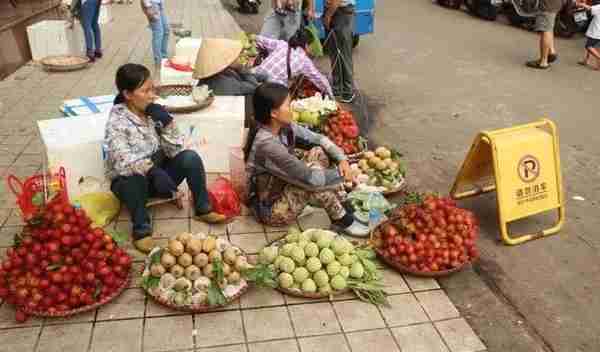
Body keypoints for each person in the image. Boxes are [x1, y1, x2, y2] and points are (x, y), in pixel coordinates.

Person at [104, 64, 226, 253]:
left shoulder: (151, 112)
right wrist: (151, 170)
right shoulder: (117, 121)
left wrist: (168, 124)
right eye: (145, 91)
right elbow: (122, 161)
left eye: (152, 88)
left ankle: (203, 209)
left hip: (160, 175)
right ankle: (142, 232)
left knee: (190, 158)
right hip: (131, 179)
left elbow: (175, 149)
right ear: (128, 94)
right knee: (133, 181)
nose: (152, 95)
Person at [244, 82, 369, 237]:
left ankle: (345, 205)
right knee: (315, 187)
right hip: (269, 208)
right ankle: (343, 219)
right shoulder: (267, 145)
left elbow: (318, 139)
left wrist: (342, 159)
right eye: (288, 106)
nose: (292, 109)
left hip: (280, 183)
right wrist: (342, 174)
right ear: (274, 113)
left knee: (318, 152)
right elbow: (310, 179)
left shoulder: (283, 126)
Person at [253, 28, 334, 97]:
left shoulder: (281, 44)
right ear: (306, 45)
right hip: (270, 88)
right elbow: (320, 79)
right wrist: (331, 96)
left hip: (254, 76)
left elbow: (259, 39)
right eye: (311, 45)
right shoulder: (303, 60)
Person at [193, 38, 265, 97]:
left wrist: (263, 77)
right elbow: (254, 87)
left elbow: (258, 77)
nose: (239, 57)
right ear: (226, 59)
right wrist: (243, 69)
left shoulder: (218, 72)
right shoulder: (226, 83)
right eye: (236, 56)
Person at [324, 0, 356, 102]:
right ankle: (337, 88)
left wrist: (328, 15)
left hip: (340, 12)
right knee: (334, 53)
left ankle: (348, 91)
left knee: (343, 53)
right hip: (334, 10)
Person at [525, 0, 564, 69]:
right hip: (556, 4)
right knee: (549, 28)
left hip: (547, 5)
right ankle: (551, 51)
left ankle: (543, 62)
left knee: (545, 30)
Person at [141, 0, 170, 72]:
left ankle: (163, 57)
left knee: (166, 30)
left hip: (159, 3)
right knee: (158, 32)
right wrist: (148, 7)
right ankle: (159, 60)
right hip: (151, 5)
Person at [577, 0, 600, 70]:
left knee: (589, 46)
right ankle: (586, 60)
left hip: (596, 31)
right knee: (593, 46)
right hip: (596, 30)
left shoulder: (599, 7)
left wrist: (581, 4)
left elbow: (590, 8)